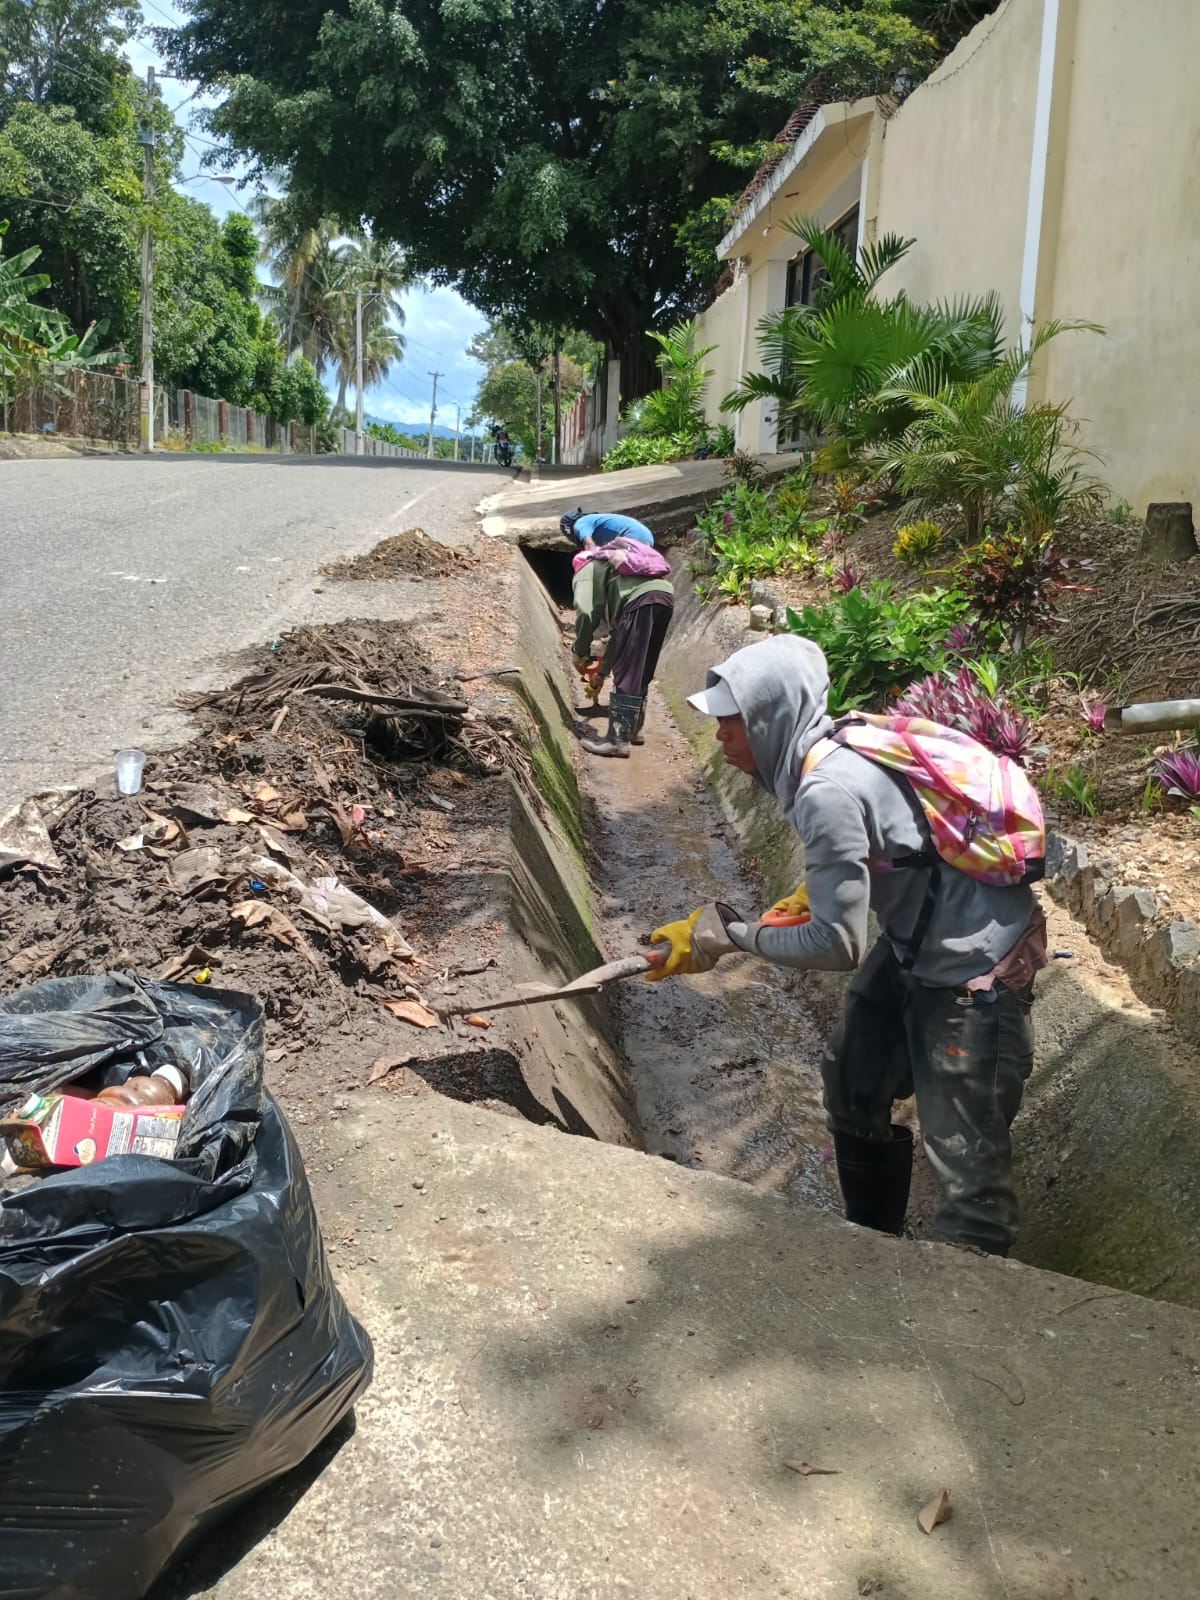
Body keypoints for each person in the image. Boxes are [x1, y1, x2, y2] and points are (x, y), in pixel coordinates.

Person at [648, 634, 1047, 1257]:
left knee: (969, 1174)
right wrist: (805, 896)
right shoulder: (833, 747)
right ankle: (872, 1252)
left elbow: (836, 945)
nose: (720, 736)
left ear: (771, 720)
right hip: (919, 941)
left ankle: (965, 1297)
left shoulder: (824, 789)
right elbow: (888, 843)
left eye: (733, 722)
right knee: (853, 1082)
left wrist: (731, 937)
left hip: (976, 966)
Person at [572, 536, 673, 758]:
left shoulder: (586, 570)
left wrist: (579, 652)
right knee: (642, 665)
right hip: (664, 595)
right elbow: (618, 637)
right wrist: (602, 672)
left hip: (640, 600)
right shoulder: (617, 573)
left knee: (627, 671)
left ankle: (617, 741)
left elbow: (586, 612)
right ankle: (634, 730)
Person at [560, 507, 655, 547]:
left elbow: (588, 542)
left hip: (631, 534)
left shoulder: (580, 523)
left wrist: (591, 557)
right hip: (646, 535)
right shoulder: (593, 521)